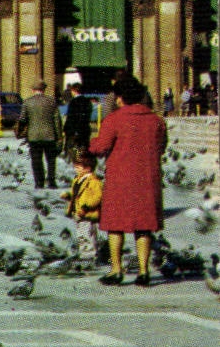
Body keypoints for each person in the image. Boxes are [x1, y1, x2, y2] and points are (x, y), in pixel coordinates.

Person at [89, 73, 168, 287]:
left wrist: (91, 143)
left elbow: (101, 147)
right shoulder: (156, 121)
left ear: (120, 98)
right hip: (147, 179)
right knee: (144, 227)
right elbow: (162, 146)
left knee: (116, 226)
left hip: (120, 178)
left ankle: (116, 270)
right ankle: (143, 272)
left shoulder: (114, 119)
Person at [18, 80, 63, 189]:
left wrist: (20, 131)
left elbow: (22, 119)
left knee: (36, 160)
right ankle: (51, 182)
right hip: (49, 135)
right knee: (51, 160)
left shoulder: (27, 102)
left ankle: (39, 182)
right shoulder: (51, 101)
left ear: (33, 90)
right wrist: (59, 136)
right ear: (44, 89)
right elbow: (57, 120)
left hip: (33, 136)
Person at [64, 149, 105, 266]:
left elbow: (98, 197)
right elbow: (76, 194)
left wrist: (86, 206)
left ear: (88, 167)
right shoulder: (77, 180)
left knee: (88, 235)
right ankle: (84, 253)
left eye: (78, 166)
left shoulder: (94, 181)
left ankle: (90, 255)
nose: (75, 168)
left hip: (87, 213)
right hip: (78, 213)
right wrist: (68, 196)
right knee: (81, 235)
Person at [63, 81, 93, 162]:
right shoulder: (88, 101)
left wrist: (66, 129)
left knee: (73, 152)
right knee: (83, 152)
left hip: (73, 131)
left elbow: (71, 118)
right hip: (84, 130)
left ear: (74, 91)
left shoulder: (73, 102)